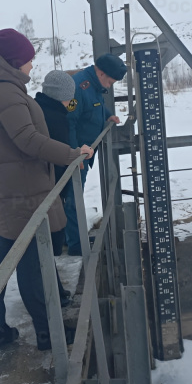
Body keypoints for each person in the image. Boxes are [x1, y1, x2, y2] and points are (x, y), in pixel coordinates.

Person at [0, 28, 93, 353]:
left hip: (11, 191)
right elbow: (27, 139)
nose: (31, 67)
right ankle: (48, 333)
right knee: (32, 268)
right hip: (21, 195)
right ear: (15, 61)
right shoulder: (6, 92)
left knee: (2, 267)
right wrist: (72, 154)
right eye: (28, 61)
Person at [64, 53, 127, 255]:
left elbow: (95, 104)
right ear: (101, 72)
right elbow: (69, 122)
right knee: (73, 197)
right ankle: (75, 244)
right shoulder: (78, 87)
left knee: (75, 195)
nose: (109, 85)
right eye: (109, 80)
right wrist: (74, 154)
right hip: (77, 155)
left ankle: (72, 237)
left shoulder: (93, 84)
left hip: (85, 153)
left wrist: (108, 115)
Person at [35, 70, 78, 256]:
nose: (72, 103)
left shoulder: (42, 108)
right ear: (60, 95)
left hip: (46, 180)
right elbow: (57, 153)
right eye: (69, 98)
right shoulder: (55, 119)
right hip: (52, 184)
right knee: (54, 232)